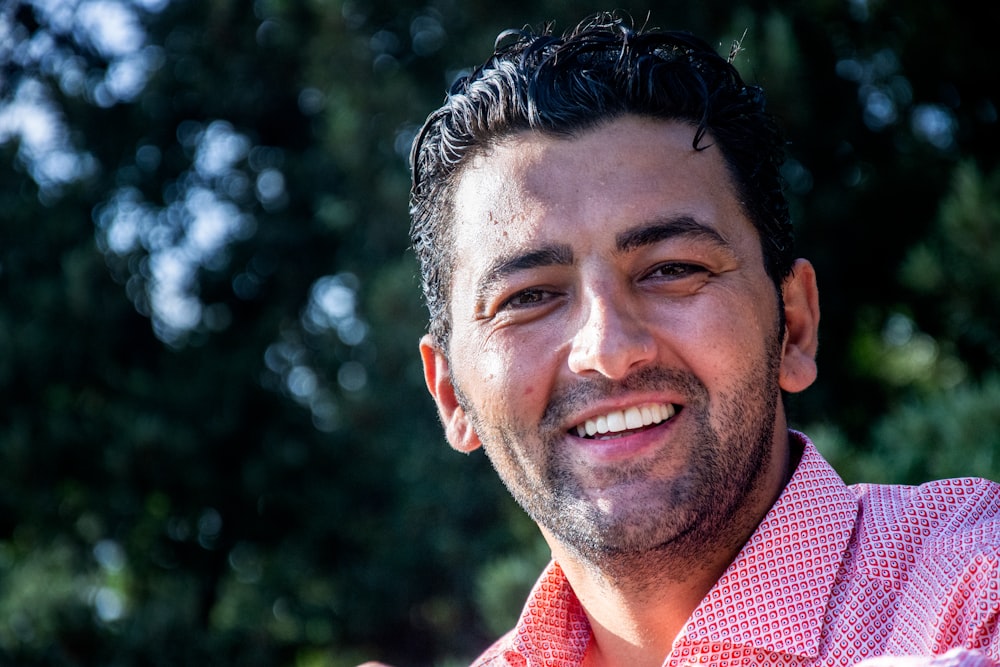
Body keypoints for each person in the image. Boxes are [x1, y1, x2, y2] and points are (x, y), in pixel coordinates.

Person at [407, 12, 1000, 667]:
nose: (607, 348)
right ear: (449, 394)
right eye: (528, 297)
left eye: (672, 269)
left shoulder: (978, 588)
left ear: (794, 326)